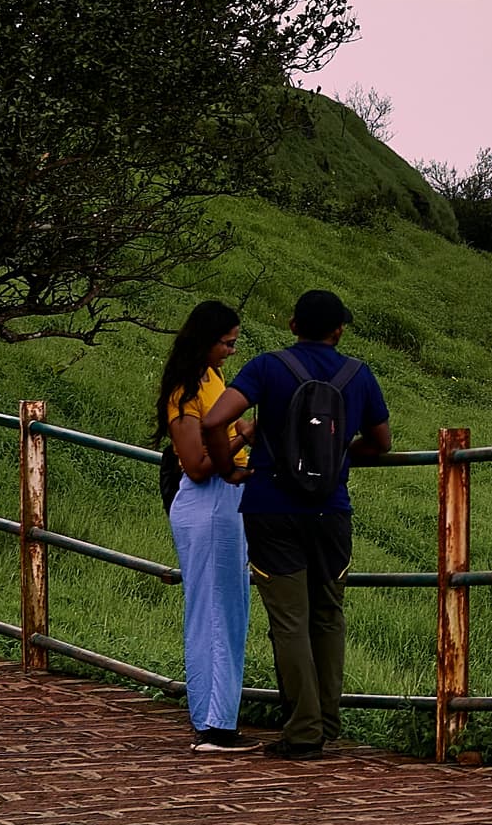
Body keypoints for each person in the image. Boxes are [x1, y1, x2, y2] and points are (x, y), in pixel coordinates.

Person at [189, 288, 391, 760]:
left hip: (272, 508)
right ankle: (327, 720)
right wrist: (337, 457)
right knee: (327, 615)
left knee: (289, 621)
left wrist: (228, 467)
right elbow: (380, 442)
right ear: (339, 329)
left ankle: (302, 732)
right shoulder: (358, 375)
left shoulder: (266, 366)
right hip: (332, 512)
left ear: (293, 325)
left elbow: (216, 420)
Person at [153, 299, 255, 752]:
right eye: (227, 343)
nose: (231, 351)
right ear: (207, 340)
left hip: (225, 499)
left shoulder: (211, 379)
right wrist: (244, 434)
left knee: (225, 611)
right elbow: (195, 462)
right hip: (208, 500)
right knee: (216, 612)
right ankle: (215, 724)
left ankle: (215, 717)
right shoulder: (187, 388)